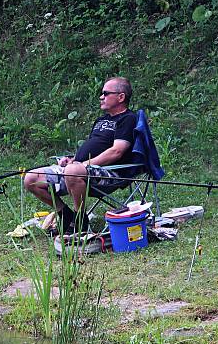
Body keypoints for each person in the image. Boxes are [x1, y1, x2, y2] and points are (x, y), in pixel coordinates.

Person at [24, 77, 139, 233]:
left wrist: (83, 165)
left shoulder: (128, 119)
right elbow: (94, 147)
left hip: (109, 174)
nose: (101, 97)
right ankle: (65, 214)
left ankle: (80, 221)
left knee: (73, 171)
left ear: (121, 97)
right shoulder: (101, 120)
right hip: (80, 171)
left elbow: (117, 151)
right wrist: (72, 160)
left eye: (105, 93)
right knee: (31, 178)